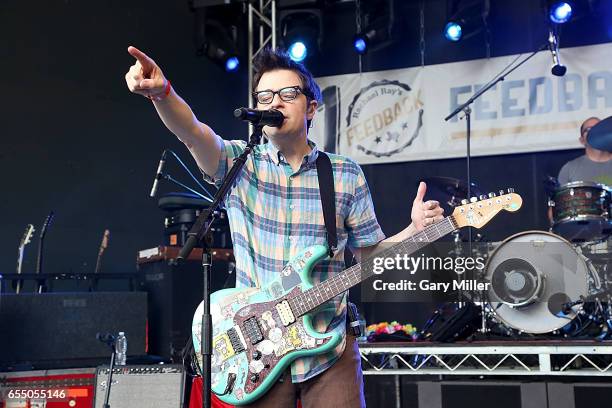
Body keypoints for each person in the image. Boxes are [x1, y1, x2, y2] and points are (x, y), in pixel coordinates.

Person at [125, 46, 443, 408]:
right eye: (265, 96)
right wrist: (162, 94)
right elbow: (193, 132)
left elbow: (370, 257)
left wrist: (414, 232)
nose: (275, 101)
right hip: (257, 351)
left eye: (288, 94)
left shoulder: (344, 174)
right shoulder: (239, 163)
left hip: (328, 348)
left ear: (310, 107)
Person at [557, 117, 612, 186]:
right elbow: (560, 196)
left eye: (598, 127)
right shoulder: (569, 169)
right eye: (588, 129)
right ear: (582, 140)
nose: (594, 132)